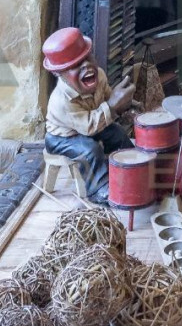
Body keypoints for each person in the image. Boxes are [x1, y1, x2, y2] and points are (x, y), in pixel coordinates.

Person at [42, 26, 134, 204]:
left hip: (92, 122)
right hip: (63, 137)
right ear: (59, 73)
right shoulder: (61, 101)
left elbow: (108, 98)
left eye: (87, 58)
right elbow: (88, 128)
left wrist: (125, 106)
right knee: (89, 150)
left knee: (116, 133)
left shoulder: (100, 76)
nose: (86, 65)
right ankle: (98, 189)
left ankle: (129, 166)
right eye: (75, 65)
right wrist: (113, 107)